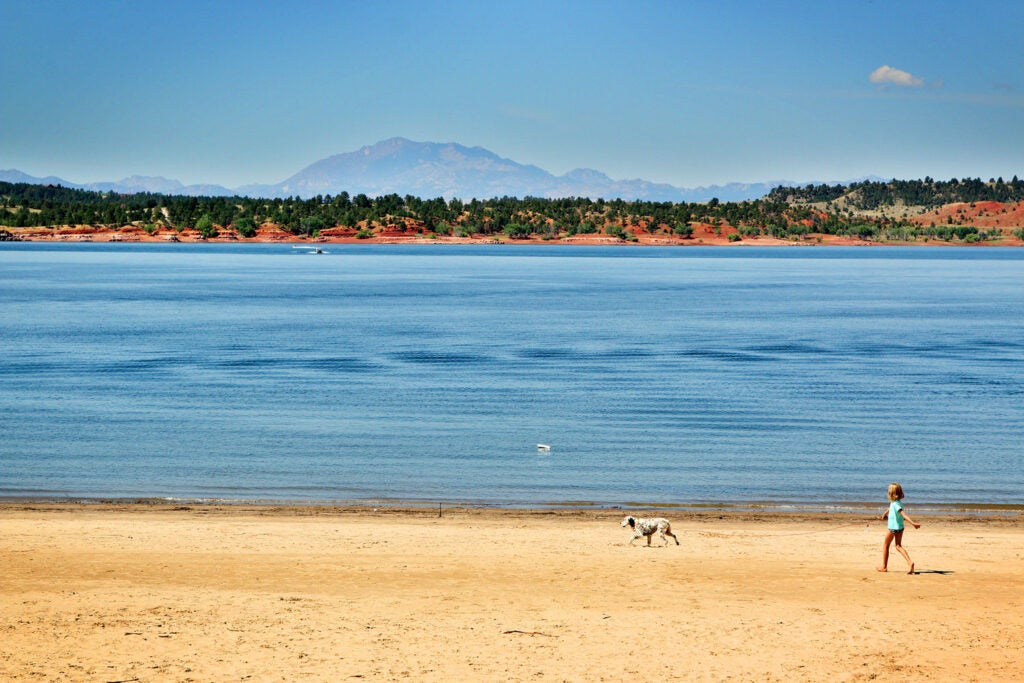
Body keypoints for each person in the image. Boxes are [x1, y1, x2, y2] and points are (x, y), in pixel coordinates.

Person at [877, 482, 921, 574]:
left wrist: (913, 523)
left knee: (886, 545)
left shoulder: (896, 504)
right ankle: (910, 562)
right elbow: (890, 509)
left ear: (891, 494)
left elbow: (903, 514)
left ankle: (884, 567)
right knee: (898, 546)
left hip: (893, 528)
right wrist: (884, 515)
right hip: (900, 528)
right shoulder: (896, 503)